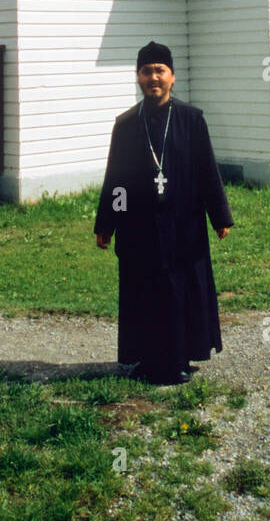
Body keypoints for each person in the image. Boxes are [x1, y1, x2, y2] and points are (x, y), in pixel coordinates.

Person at [94, 41, 232, 385]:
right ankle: (148, 359)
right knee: (144, 289)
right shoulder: (126, 124)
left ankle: (180, 360)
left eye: (160, 71)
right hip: (139, 225)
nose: (153, 78)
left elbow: (207, 172)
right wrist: (109, 223)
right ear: (138, 78)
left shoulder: (191, 119)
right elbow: (117, 180)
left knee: (181, 287)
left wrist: (219, 217)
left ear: (172, 77)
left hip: (183, 223)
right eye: (146, 71)